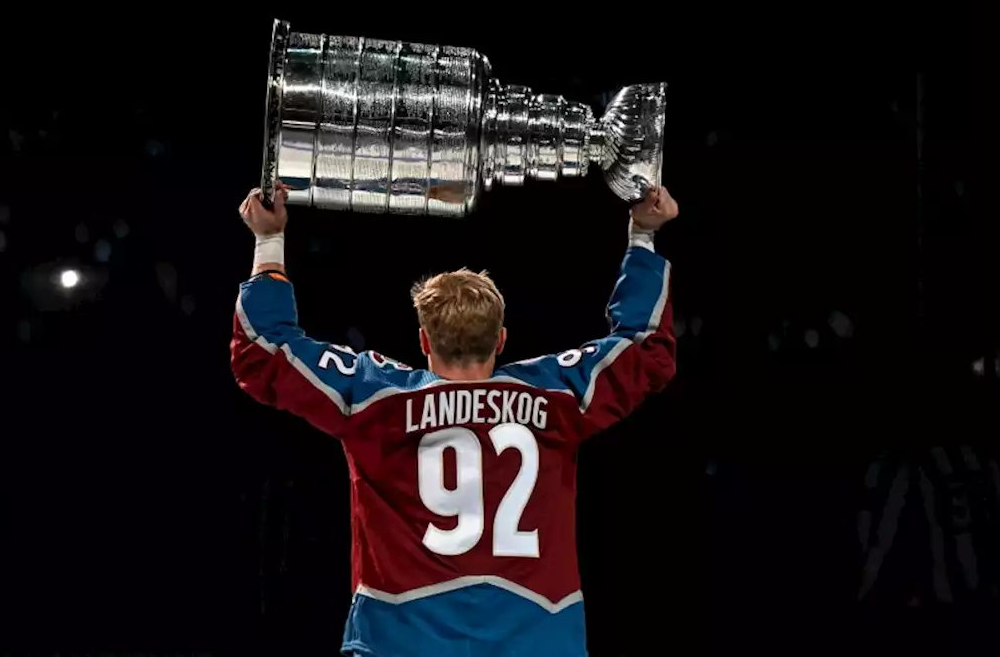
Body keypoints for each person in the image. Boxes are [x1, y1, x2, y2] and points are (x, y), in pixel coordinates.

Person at [232, 184, 680, 657]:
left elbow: (263, 351)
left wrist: (269, 240)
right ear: (502, 339)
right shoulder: (557, 396)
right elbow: (645, 348)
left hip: (399, 643)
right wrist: (643, 235)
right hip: (536, 644)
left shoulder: (374, 399)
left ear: (424, 342)